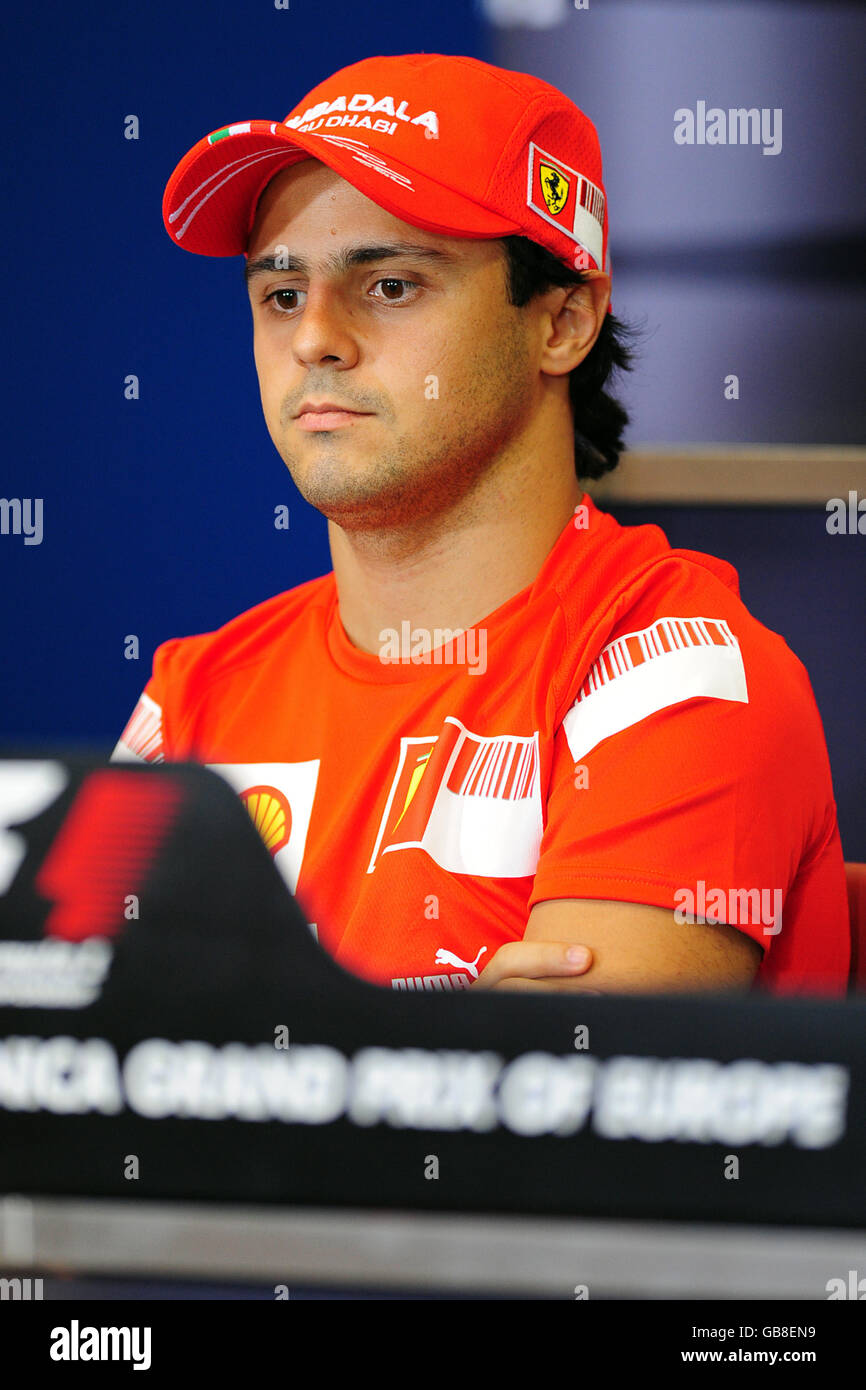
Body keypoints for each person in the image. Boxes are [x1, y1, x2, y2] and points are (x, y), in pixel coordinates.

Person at [113, 52, 849, 997]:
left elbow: (555, 1124)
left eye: (391, 285)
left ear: (563, 323)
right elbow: (77, 1083)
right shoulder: (194, 695)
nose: (313, 339)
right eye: (282, 294)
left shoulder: (681, 678)